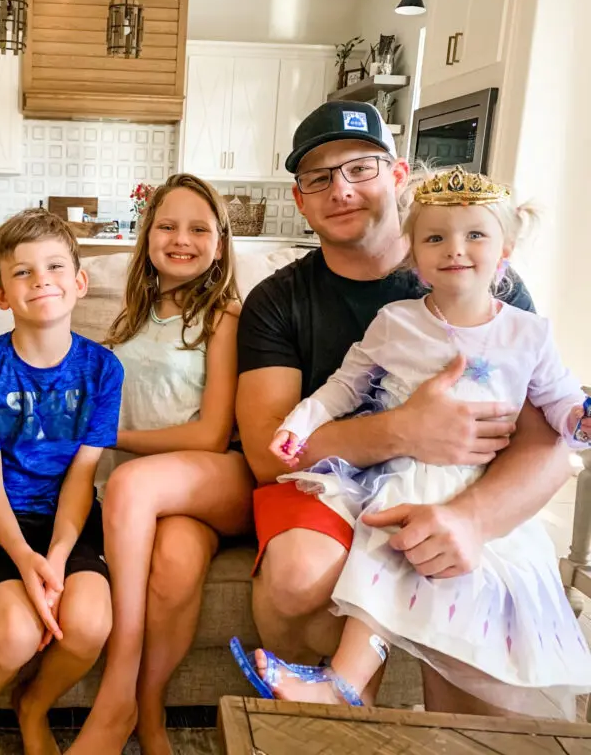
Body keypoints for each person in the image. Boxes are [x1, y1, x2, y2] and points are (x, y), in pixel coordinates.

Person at [233, 101, 574, 715]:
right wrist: (402, 430)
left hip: (471, 483)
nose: (341, 189)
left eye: (361, 167)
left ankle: (433, 719)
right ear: (300, 199)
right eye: (319, 177)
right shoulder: (282, 300)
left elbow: (550, 431)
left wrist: (472, 519)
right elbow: (269, 452)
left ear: (398, 174)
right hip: (345, 479)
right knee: (301, 574)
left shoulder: (493, 289)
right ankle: (333, 715)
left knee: (464, 584)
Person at [68, 174, 255, 755]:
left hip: (209, 473)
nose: (182, 239)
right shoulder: (130, 315)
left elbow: (210, 432)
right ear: (148, 236)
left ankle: (115, 694)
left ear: (220, 243)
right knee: (173, 566)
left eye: (199, 229)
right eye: (168, 226)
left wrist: (110, 436)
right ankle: (148, 717)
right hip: (153, 496)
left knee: (128, 480)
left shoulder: (224, 316)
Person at [0, 209, 123, 755]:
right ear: (1, 295)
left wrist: (59, 554)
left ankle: (33, 704)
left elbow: (82, 474)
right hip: (2, 521)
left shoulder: (102, 369)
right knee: (16, 633)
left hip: (69, 519)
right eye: (22, 273)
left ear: (79, 282)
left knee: (89, 626)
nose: (40, 279)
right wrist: (28, 560)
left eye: (53, 267)